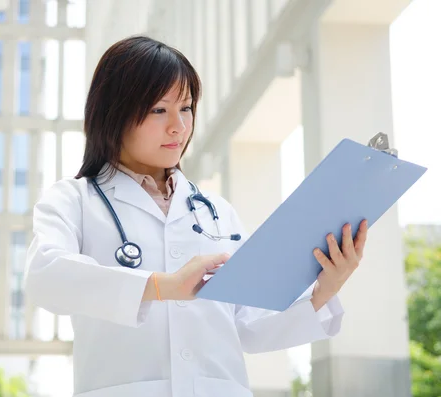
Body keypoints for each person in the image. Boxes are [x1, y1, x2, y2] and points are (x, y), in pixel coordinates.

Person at [24, 35, 368, 397]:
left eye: (186, 108)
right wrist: (161, 286)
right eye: (159, 110)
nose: (179, 127)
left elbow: (251, 325)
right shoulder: (75, 200)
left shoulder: (218, 213)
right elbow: (46, 276)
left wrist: (324, 290)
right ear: (114, 112)